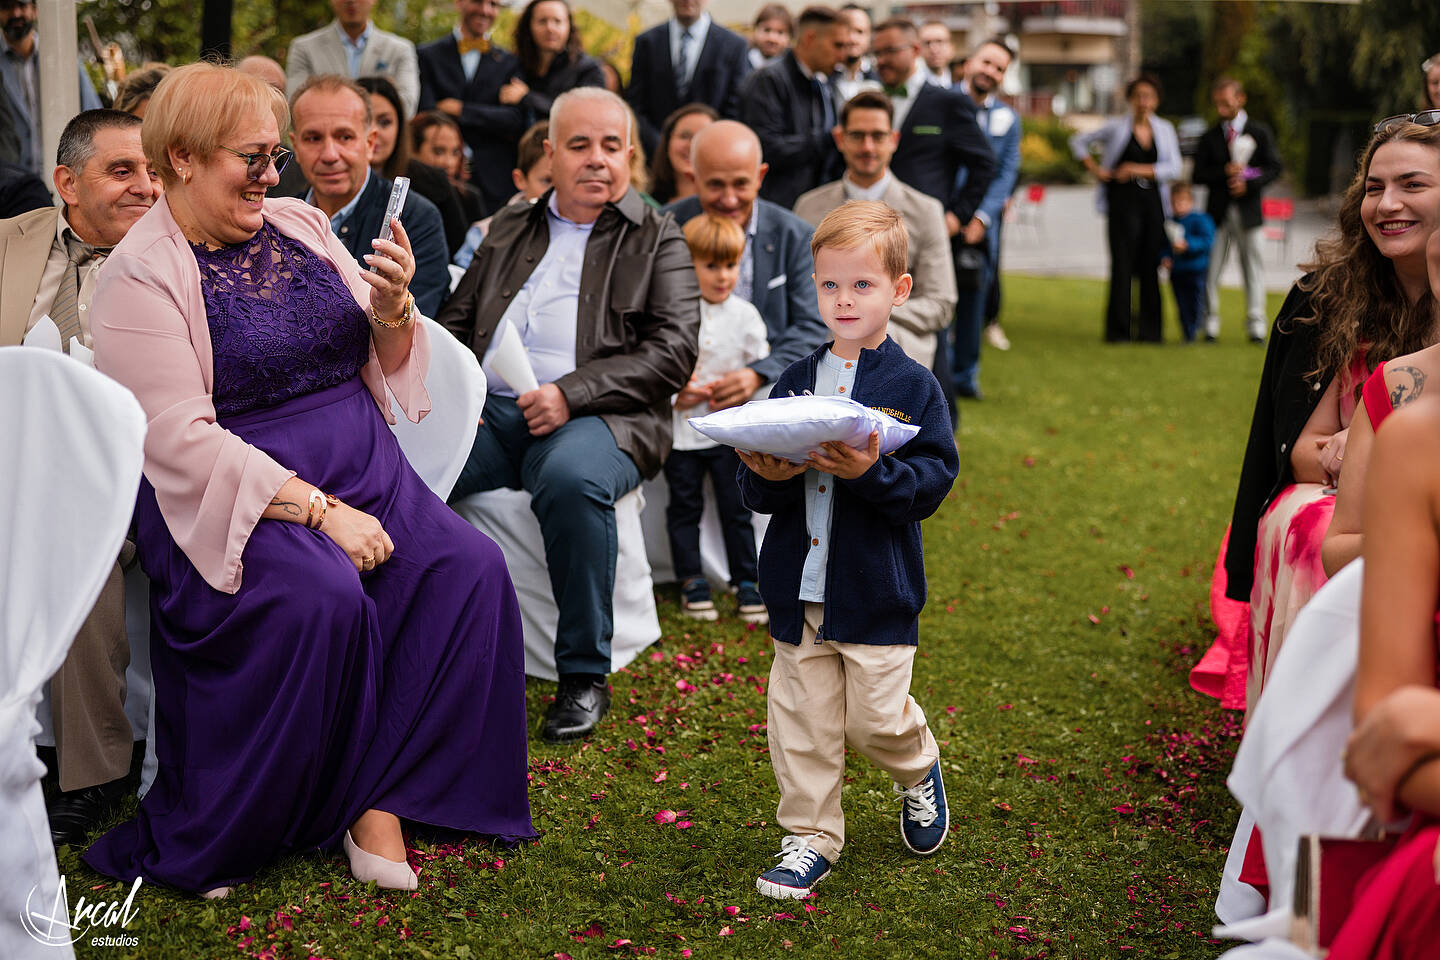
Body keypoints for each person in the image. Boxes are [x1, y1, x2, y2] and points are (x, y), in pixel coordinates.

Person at [79, 62, 532, 896]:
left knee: (469, 571)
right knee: (320, 599)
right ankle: (334, 804)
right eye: (249, 158)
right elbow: (176, 438)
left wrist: (393, 311)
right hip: (235, 493)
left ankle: (391, 789)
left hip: (367, 464)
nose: (269, 176)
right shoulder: (136, 276)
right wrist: (324, 516)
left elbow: (378, 347)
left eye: (272, 156)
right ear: (180, 157)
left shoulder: (300, 224)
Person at [441, 87, 700, 744]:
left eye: (611, 146)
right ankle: (428, 644)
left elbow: (673, 351)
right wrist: (455, 398)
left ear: (631, 155)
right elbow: (455, 324)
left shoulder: (658, 234)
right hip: (494, 412)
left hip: (605, 416)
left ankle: (583, 675)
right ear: (550, 155)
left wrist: (572, 394)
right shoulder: (508, 227)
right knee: (415, 464)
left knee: (571, 479)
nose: (596, 160)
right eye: (579, 145)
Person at [736, 200, 958, 899]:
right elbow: (763, 485)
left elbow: (931, 482)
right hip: (796, 588)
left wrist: (874, 473)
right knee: (801, 723)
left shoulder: (913, 387)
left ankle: (918, 767)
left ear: (899, 289)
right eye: (831, 284)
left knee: (874, 720)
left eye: (862, 285)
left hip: (875, 589)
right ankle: (809, 836)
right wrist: (765, 475)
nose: (844, 299)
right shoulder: (795, 379)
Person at [1198, 119, 1440, 730]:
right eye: (1373, 187)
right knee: (1309, 523)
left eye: (1412, 184)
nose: (1386, 205)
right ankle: (1310, 741)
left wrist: (1363, 439)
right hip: (1334, 498)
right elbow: (1302, 452)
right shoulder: (1328, 298)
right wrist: (1354, 453)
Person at [0, 110, 159, 847]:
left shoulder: (175, 254)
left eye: (151, 170)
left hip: (125, 472)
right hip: (11, 458)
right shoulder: (11, 241)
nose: (145, 186)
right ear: (66, 181)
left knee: (76, 550)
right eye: (121, 171)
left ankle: (90, 772)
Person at [873, 17, 994, 412]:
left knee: (930, 331)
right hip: (869, 234)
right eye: (876, 52)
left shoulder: (946, 101)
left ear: (914, 51)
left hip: (922, 237)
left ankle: (940, 423)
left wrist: (957, 216)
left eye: (888, 51)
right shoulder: (868, 96)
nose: (880, 60)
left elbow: (984, 163)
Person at [663, 120, 828, 407]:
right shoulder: (665, 228)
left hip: (766, 387)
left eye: (741, 184)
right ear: (694, 176)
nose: (729, 199)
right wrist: (668, 381)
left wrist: (757, 374)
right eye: (715, 185)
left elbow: (810, 325)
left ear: (760, 176)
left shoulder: (795, 236)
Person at [794, 90, 957, 367]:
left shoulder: (926, 211)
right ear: (839, 139)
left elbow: (940, 303)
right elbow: (797, 294)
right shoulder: (808, 207)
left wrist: (869, 312)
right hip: (819, 347)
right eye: (857, 135)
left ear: (893, 140)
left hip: (899, 349)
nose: (868, 147)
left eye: (878, 136)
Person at [666, 214, 770, 623]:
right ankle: (691, 577)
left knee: (736, 507)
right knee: (684, 506)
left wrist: (743, 387)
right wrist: (678, 392)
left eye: (731, 265)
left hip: (730, 433)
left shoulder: (745, 316)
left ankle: (747, 579)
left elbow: (759, 369)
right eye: (711, 266)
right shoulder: (677, 312)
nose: (723, 275)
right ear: (689, 265)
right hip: (684, 431)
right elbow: (660, 365)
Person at [290, 74, 451, 317]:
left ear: (370, 143)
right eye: (313, 138)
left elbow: (420, 327)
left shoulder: (415, 218)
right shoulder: (281, 220)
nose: (330, 154)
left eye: (345, 137)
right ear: (296, 147)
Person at [1070, 74, 1181, 343]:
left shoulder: (1164, 129)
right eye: (1138, 96)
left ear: (1156, 100)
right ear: (1131, 99)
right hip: (1122, 202)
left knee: (1150, 264)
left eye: (1149, 97)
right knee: (1122, 264)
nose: (1144, 102)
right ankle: (1118, 331)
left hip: (1153, 202)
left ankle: (1150, 332)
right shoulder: (1116, 127)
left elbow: (1174, 168)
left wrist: (1136, 169)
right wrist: (1096, 170)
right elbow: (1078, 141)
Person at [1193, 77, 1283, 344]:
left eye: (1226, 103)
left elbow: (1275, 168)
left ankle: (1256, 325)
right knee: (1212, 268)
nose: (1221, 109)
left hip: (1249, 211)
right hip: (1217, 214)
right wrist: (1223, 173)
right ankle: (1210, 324)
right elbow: (1198, 175)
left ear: (1240, 99)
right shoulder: (1209, 136)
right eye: (1217, 104)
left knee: (1253, 267)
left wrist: (1250, 183)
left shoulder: (1259, 131)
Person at [953, 37, 1020, 393]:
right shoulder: (942, 104)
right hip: (942, 218)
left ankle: (966, 376)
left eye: (999, 69)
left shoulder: (1008, 119)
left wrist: (981, 217)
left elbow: (1007, 173)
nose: (990, 72)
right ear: (969, 62)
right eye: (986, 63)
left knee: (974, 300)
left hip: (981, 228)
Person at [417, 0, 528, 216]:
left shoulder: (510, 62)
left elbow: (514, 119)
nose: (485, 10)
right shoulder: (427, 55)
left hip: (494, 184)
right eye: (478, 1)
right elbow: (427, 114)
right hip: (436, 175)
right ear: (459, 3)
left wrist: (460, 109)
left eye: (493, 4)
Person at [739, 6, 847, 210]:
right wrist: (828, 139)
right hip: (778, 207)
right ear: (810, 38)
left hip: (815, 206)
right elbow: (766, 147)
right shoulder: (768, 81)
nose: (842, 55)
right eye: (837, 45)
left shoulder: (822, 84)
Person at [359, 75, 470, 255]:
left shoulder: (433, 184)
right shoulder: (318, 182)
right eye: (365, 121)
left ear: (400, 127)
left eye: (384, 122)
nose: (374, 131)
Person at [626, 0, 751, 156]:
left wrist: (708, 143)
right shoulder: (647, 42)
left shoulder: (734, 46)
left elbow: (736, 106)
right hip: (656, 157)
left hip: (711, 154)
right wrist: (661, 145)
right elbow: (636, 105)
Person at [0, 0, 102, 174]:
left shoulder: (63, 56)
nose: (15, 14)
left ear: (34, 10)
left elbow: (93, 117)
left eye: (22, 5)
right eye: (7, 7)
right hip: (10, 183)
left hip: (61, 176)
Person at [286, 0, 422, 117]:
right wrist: (384, 93)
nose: (351, 1)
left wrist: (324, 95)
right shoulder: (304, 48)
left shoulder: (400, 49)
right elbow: (296, 105)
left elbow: (407, 106)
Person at [451, 119, 551, 268]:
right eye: (547, 181)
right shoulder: (483, 234)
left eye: (562, 181)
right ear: (520, 179)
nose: (554, 191)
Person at [514, 0, 605, 122]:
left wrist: (527, 97)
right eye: (542, 21)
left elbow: (583, 115)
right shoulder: (516, 64)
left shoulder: (588, 69)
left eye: (557, 21)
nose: (550, 28)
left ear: (569, 26)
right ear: (529, 25)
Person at [412, 108, 487, 222]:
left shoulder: (469, 198)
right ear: (413, 150)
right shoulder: (396, 194)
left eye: (456, 152)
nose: (449, 163)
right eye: (439, 151)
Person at [1166, 182, 1215, 343]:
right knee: (1181, 303)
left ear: (1191, 202)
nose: (1178, 206)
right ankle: (1187, 332)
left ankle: (1194, 330)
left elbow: (1207, 241)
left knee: (1195, 302)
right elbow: (1164, 245)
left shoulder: (1201, 220)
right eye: (1174, 203)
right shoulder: (1170, 222)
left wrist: (1188, 245)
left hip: (1195, 270)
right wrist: (1165, 257)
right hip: (1177, 271)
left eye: (1181, 202)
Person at [649, 102, 716, 205]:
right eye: (685, 136)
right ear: (667, 143)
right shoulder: (646, 204)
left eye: (702, 137)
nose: (692, 145)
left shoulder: (728, 205)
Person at [832, 4, 879, 102]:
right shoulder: (822, 77)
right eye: (846, 31)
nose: (852, 39)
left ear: (869, 36)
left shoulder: (881, 75)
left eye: (859, 31)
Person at [748, 4, 792, 71]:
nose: (772, 38)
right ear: (755, 30)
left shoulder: (792, 69)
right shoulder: (741, 62)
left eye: (780, 32)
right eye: (767, 30)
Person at [917, 21, 953, 88]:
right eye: (927, 43)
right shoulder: (913, 86)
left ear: (951, 47)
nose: (934, 50)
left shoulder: (963, 83)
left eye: (939, 41)